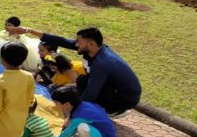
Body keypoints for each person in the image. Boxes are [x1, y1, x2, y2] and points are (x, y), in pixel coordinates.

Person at [9, 26, 140, 116]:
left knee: (83, 96)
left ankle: (108, 111)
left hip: (124, 99)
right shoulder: (94, 49)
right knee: (82, 81)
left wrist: (72, 117)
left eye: (79, 42)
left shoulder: (101, 64)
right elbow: (62, 41)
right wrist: (29, 30)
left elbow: (90, 94)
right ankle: (97, 109)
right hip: (112, 88)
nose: (76, 44)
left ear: (90, 44)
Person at [52, 86, 116, 137]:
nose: (55, 106)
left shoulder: (79, 116)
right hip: (105, 135)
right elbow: (69, 121)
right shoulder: (83, 105)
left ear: (67, 104)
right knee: (76, 125)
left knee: (82, 127)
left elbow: (68, 132)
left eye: (57, 104)